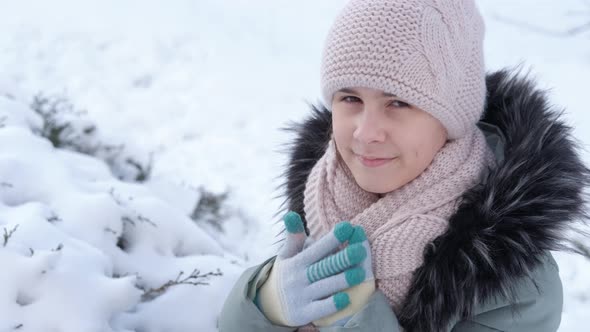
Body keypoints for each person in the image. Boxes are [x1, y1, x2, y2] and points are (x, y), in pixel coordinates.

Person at [219, 0, 590, 331]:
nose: (365, 133)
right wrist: (262, 302)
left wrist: (357, 319)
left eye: (397, 102)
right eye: (350, 97)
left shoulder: (516, 286)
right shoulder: (322, 199)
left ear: (452, 119)